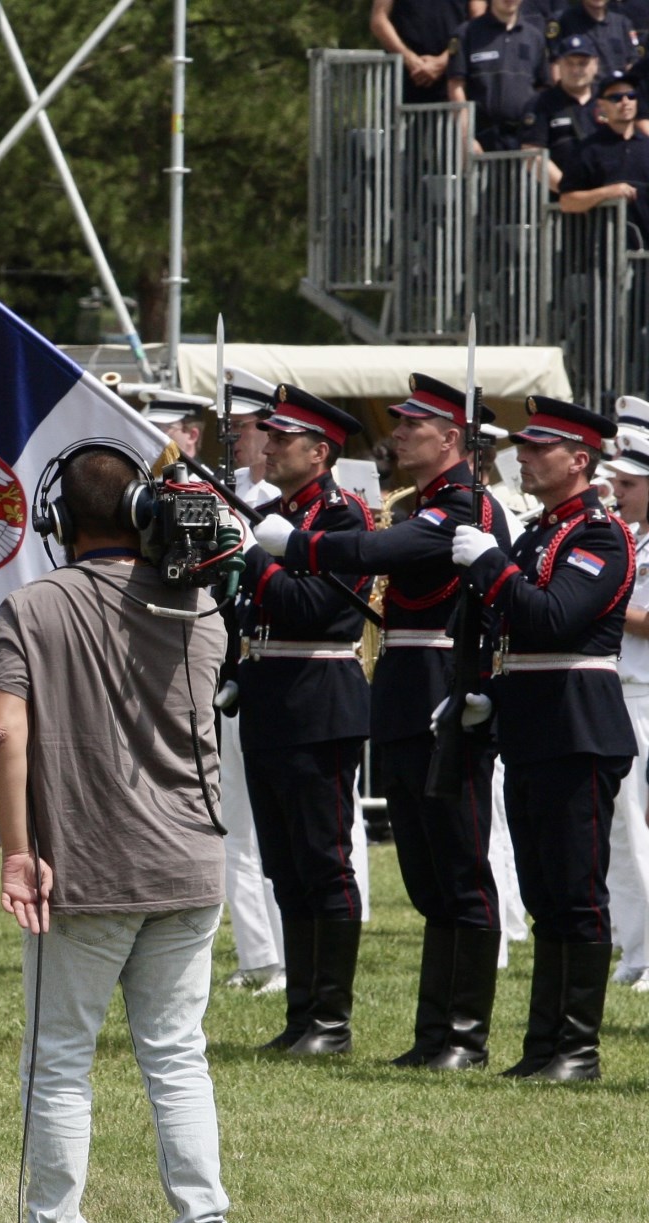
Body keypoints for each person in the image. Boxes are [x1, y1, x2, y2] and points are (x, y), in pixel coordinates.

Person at [0, 445, 230, 1223]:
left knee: (58, 1060)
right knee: (177, 1055)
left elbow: (1, 733)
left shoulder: (32, 606)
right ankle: (204, 1214)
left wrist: (18, 851)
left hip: (86, 867)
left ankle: (53, 1216)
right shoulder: (203, 606)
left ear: (57, 520)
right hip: (191, 861)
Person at [257, 375, 514, 1070]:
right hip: (404, 689)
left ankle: (463, 1033)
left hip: (445, 685)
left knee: (460, 867)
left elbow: (376, 554)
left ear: (450, 438)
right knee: (427, 874)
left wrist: (295, 548)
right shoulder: (427, 503)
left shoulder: (465, 507)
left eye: (411, 426)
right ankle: (435, 1034)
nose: (395, 435)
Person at [452, 397, 636, 1081]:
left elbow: (554, 618)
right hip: (531, 721)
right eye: (523, 448)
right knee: (541, 890)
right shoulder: (539, 535)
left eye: (538, 448)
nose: (522, 458)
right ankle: (543, 1045)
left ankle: (577, 1049)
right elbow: (510, 630)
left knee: (575, 890)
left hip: (577, 726)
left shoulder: (599, 535)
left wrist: (491, 564)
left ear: (579, 460)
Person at [231, 386, 373, 1056]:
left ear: (320, 452)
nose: (271, 443)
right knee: (284, 865)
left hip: (319, 693)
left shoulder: (343, 521)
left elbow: (310, 605)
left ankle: (332, 1020)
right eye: (270, 433)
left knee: (323, 859)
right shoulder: (275, 512)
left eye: (284, 437)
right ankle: (302, 1014)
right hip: (269, 692)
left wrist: (250, 555)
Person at [213, 367, 287, 994]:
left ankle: (292, 957)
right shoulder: (220, 490)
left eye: (241, 428)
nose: (233, 439)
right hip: (229, 664)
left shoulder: (293, 501)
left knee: (280, 824)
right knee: (233, 820)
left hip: (282, 672)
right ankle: (258, 956)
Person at [597, 436, 649, 995]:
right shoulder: (627, 539)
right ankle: (634, 946)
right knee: (617, 832)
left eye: (630, 486)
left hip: (644, 694)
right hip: (619, 690)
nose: (619, 494)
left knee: (638, 831)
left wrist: (601, 596)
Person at [448, 0, 551, 151]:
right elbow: (456, 87)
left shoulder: (535, 37)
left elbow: (543, 89)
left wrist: (537, 137)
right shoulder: (467, 33)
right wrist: (466, 137)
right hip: (482, 137)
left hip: (524, 140)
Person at [560, 72, 649, 244]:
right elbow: (567, 202)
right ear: (601, 105)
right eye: (616, 98)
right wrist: (607, 193)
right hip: (604, 257)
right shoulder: (588, 150)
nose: (625, 102)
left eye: (631, 96)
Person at [522, 34, 602, 190]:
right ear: (558, 65)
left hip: (608, 199)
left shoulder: (608, 99)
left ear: (596, 65)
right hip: (559, 202)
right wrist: (569, 191)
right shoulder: (541, 103)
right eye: (569, 63)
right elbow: (533, 154)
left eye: (582, 63)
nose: (576, 69)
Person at [373, 0, 472, 104]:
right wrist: (409, 59)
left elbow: (475, 22)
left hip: (454, 82)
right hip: (403, 80)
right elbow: (379, 20)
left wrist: (444, 60)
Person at [551, 0, 643, 80]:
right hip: (579, 93)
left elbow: (632, 63)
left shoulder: (622, 24)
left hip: (615, 93)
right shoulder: (563, 21)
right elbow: (556, 66)